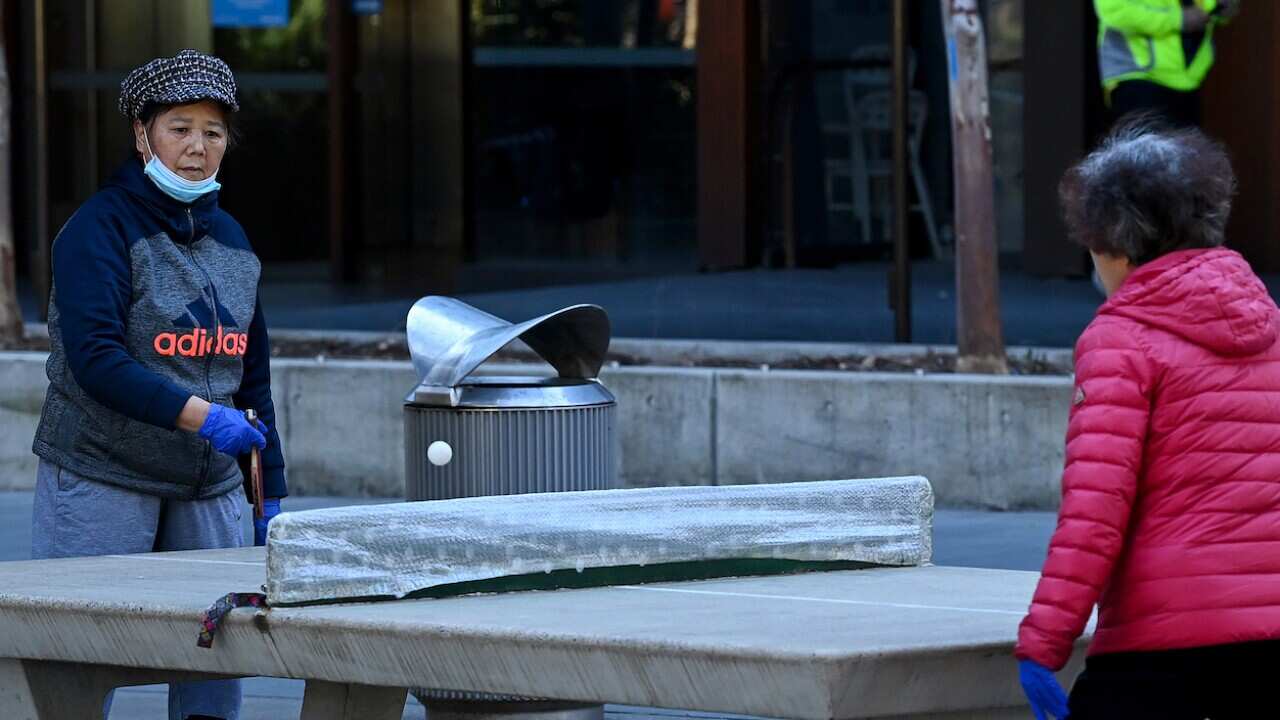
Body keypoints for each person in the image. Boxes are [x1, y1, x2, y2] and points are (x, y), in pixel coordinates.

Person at [29, 49, 286, 720]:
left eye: (213, 131)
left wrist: (272, 492)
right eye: (180, 127)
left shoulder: (233, 239)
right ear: (142, 134)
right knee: (75, 658)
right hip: (102, 474)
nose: (198, 148)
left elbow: (250, 376)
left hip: (210, 484)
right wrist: (205, 418)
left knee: (218, 657)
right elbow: (97, 361)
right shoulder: (98, 229)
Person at [1015, 121, 1280, 719]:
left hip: (1162, 651)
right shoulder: (1271, 326)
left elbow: (1094, 513)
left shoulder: (1120, 339)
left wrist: (1044, 643)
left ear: (1116, 245)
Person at [1094, 0, 1240, 127]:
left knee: (1186, 155)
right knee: (1143, 155)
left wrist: (1223, 7)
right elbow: (1114, 10)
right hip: (1137, 74)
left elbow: (1210, 9)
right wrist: (1178, 18)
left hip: (1188, 78)